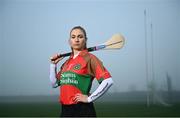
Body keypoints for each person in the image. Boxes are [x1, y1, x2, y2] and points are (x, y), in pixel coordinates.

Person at [49, 26, 113, 117]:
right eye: (73, 37)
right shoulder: (67, 62)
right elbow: (54, 84)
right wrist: (53, 65)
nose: (76, 40)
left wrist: (89, 98)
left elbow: (108, 81)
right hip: (65, 110)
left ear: (85, 40)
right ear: (69, 41)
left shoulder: (90, 58)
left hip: (82, 110)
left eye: (80, 36)